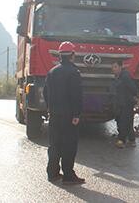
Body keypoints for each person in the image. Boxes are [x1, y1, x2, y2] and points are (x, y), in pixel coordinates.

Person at [43, 41, 85, 185]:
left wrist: (50, 108)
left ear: (60, 55)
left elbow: (45, 93)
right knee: (69, 145)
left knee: (54, 144)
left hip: (54, 114)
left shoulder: (52, 72)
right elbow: (76, 96)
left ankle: (52, 173)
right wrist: (76, 114)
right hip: (68, 116)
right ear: (72, 55)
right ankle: (68, 176)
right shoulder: (74, 73)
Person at [111, 60, 138, 148]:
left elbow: (133, 89)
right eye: (112, 67)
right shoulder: (117, 77)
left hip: (126, 103)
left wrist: (133, 97)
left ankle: (121, 140)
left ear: (120, 67)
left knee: (123, 122)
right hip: (120, 103)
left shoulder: (125, 76)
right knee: (128, 122)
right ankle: (132, 140)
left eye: (115, 67)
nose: (113, 69)